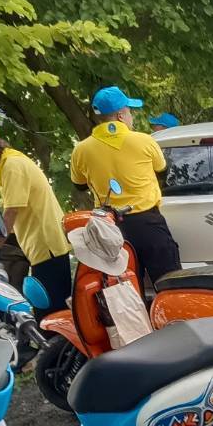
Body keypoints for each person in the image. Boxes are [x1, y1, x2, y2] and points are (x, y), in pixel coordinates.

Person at [70, 86, 181, 287]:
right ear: (121, 116)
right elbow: (163, 170)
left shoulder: (81, 150)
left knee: (126, 290)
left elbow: (79, 186)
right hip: (148, 223)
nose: (131, 116)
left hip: (111, 230)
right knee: (169, 284)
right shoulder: (144, 141)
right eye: (129, 112)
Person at [0, 129, 73, 313]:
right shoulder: (12, 162)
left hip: (45, 246)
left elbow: (11, 212)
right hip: (44, 245)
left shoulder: (12, 167)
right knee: (53, 309)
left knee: (51, 313)